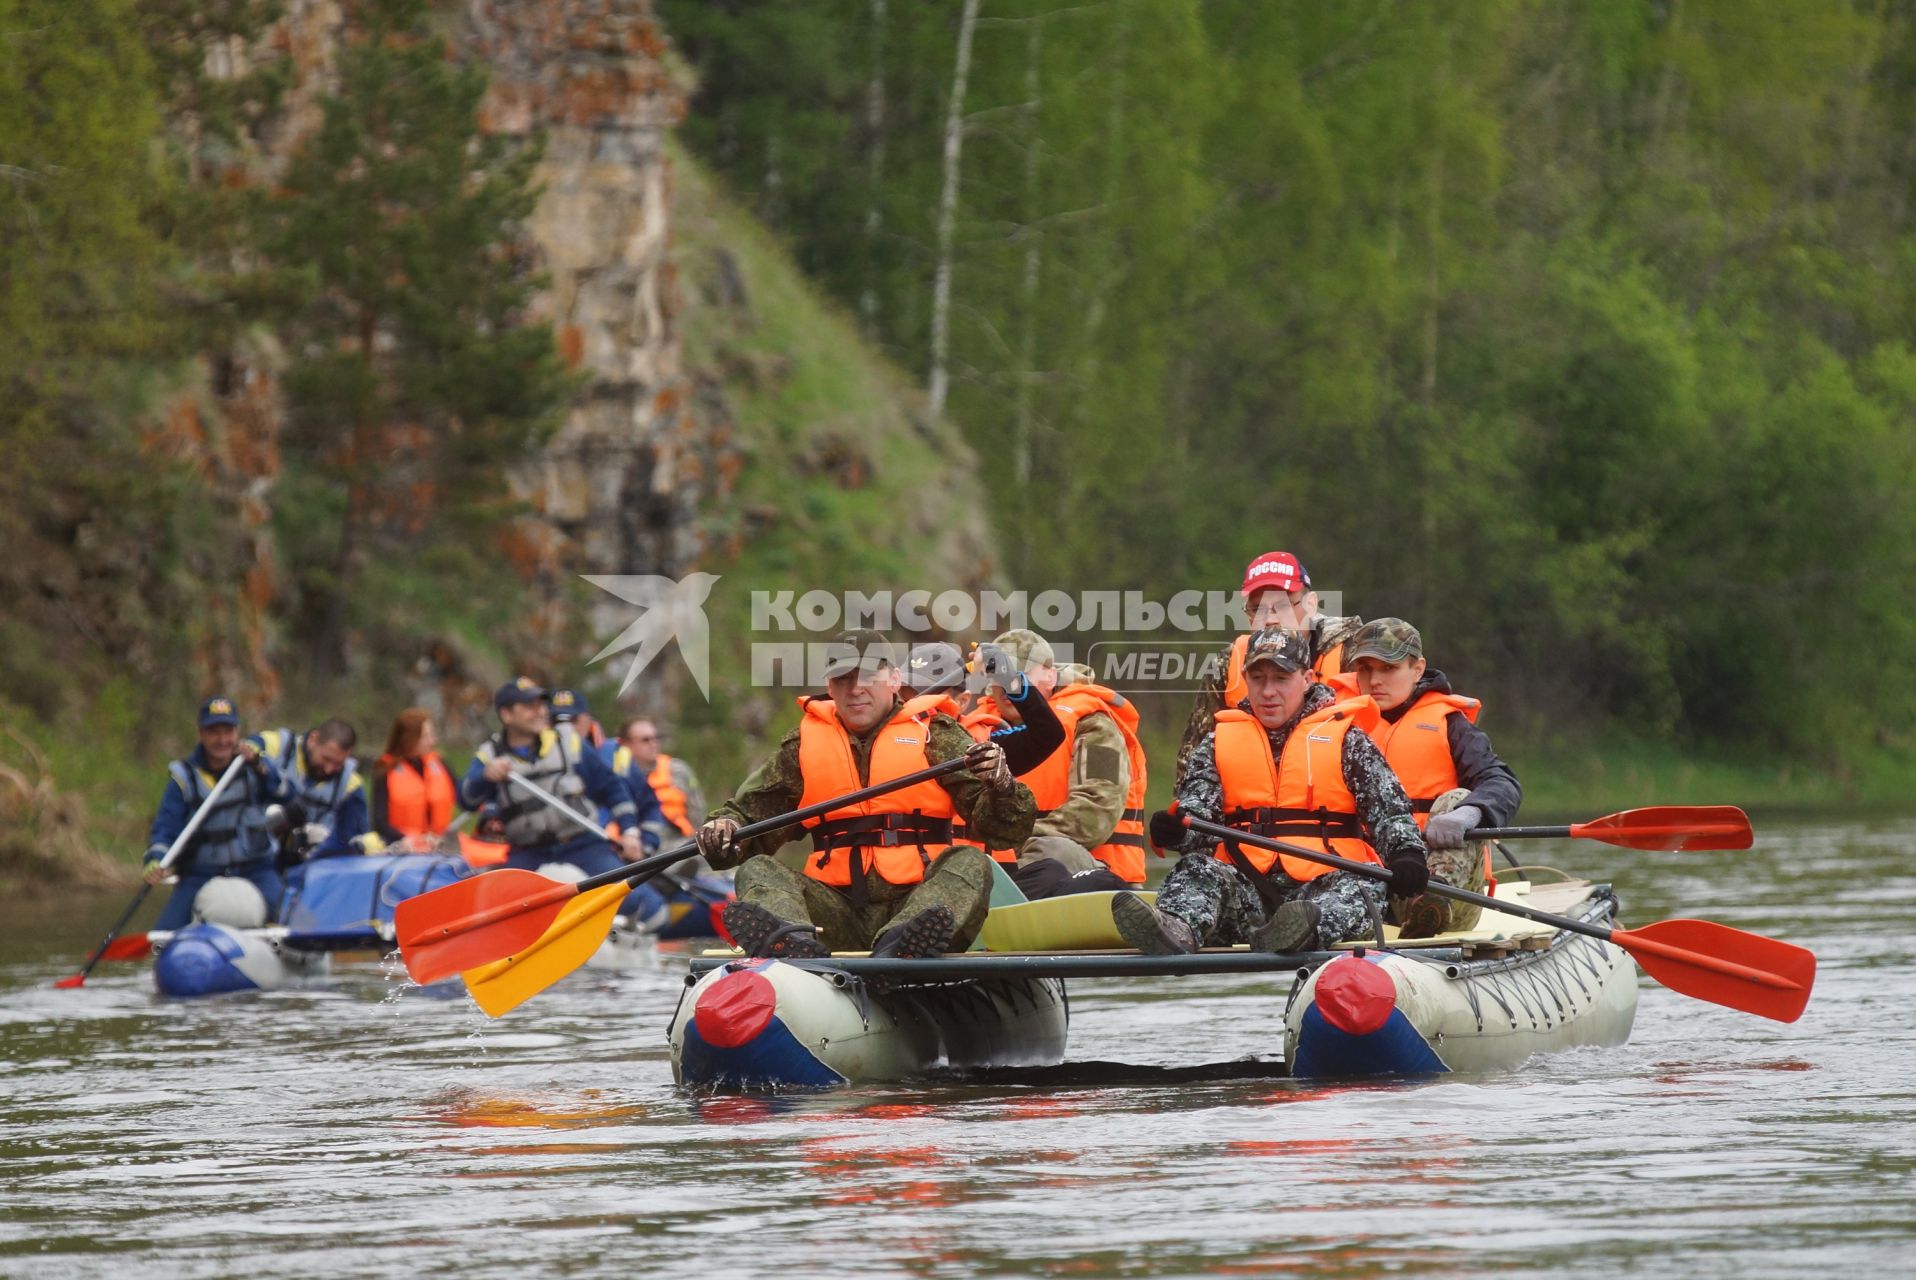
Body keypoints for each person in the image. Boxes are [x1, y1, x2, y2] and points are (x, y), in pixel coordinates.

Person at [696, 629, 1036, 959]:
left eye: (868, 676)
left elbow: (1002, 830)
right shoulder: (801, 748)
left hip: (917, 905)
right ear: (830, 686)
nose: (855, 689)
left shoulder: (937, 734)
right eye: (843, 679)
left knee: (971, 862)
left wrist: (1002, 785)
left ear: (893, 678)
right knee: (756, 870)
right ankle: (795, 948)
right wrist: (723, 830)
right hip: (835, 914)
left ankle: (901, 949)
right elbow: (748, 819)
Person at [1114, 627, 1431, 955]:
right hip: (1247, 891)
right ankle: (1174, 929)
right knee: (1197, 869)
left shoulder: (1348, 740)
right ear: (1245, 679)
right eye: (1258, 678)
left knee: (1363, 886)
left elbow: (1390, 812)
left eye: (1281, 678)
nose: (1268, 691)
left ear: (1307, 678)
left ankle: (1302, 933)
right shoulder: (1217, 744)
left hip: (1325, 887)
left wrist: (1406, 854)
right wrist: (1175, 831)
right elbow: (1197, 815)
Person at [1342, 618, 1523, 933]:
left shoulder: (1451, 725)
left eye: (1388, 668)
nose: (1374, 680)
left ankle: (1432, 900)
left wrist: (1468, 815)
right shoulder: (1336, 729)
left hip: (1446, 894)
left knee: (1458, 800)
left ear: (1417, 668)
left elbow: (1502, 783)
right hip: (1366, 891)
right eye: (1365, 669)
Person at [973, 629, 1150, 900]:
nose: (1007, 686)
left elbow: (1096, 811)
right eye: (998, 677)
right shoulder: (979, 727)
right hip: (1008, 863)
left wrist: (1013, 843)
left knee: (1052, 852)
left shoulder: (1094, 724)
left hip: (1088, 869)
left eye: (1019, 674)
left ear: (1050, 674)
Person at [1175, 550, 1364, 788]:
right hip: (1244, 813)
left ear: (1311, 604)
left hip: (1331, 810)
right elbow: (1192, 758)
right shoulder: (1228, 663)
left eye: (1282, 606)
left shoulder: (1355, 654)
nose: (1269, 619)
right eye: (1258, 609)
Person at [460, 678, 653, 885]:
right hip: (528, 853)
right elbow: (466, 799)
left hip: (583, 846)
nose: (540, 712)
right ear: (506, 715)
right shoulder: (489, 755)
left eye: (541, 705)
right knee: (505, 901)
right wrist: (485, 777)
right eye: (528, 707)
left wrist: (630, 833)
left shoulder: (568, 742)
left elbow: (611, 787)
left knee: (636, 899)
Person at [142, 697, 294, 931]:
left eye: (228, 731)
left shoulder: (254, 767)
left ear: (238, 732)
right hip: (200, 872)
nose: (222, 740)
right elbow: (165, 826)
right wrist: (155, 859)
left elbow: (287, 794)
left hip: (256, 867)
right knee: (165, 931)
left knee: (292, 918)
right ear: (201, 734)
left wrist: (260, 766)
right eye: (214, 732)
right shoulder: (183, 777)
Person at [252, 719, 369, 858]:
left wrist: (327, 841)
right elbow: (242, 751)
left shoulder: (350, 784)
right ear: (313, 739)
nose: (329, 769)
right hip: (258, 852)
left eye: (338, 764)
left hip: (311, 864)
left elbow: (353, 838)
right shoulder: (277, 745)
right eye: (326, 758)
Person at [368, 708, 459, 852]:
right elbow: (379, 823)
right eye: (426, 736)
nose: (433, 741)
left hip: (439, 846)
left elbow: (463, 795)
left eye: (432, 735)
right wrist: (409, 841)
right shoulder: (384, 770)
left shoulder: (439, 762)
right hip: (403, 848)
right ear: (408, 739)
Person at [613, 716, 705, 848]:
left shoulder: (678, 770)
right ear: (625, 744)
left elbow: (697, 810)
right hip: (640, 844)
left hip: (680, 841)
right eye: (645, 740)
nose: (653, 743)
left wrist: (702, 840)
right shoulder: (616, 776)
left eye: (656, 738)